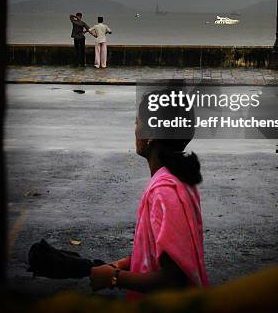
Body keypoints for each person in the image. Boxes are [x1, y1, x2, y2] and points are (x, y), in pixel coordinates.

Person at [89, 94, 208, 299]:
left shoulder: (164, 191)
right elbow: (161, 251)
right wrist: (124, 264)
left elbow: (173, 278)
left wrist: (115, 277)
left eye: (138, 122)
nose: (135, 129)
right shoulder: (179, 177)